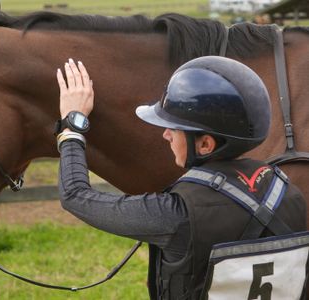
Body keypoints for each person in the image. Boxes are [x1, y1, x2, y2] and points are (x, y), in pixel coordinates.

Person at [54, 56, 307, 299]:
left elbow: (75, 195)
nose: (165, 135)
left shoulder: (175, 214)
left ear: (205, 144)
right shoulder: (290, 193)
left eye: (173, 128)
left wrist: (72, 124)